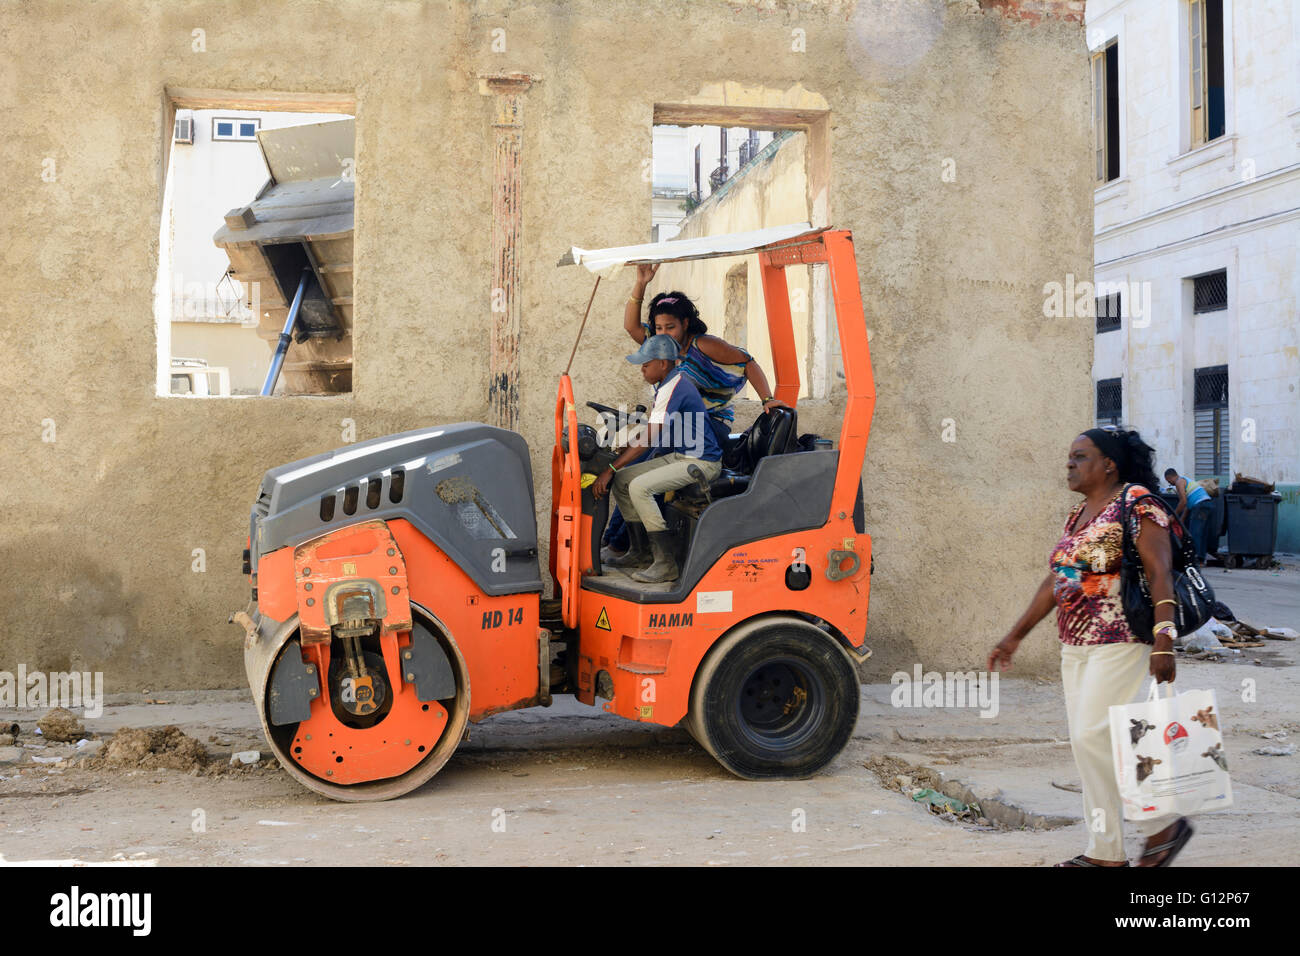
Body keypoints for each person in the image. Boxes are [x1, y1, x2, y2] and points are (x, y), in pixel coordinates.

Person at [987, 427, 1195, 867]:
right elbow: (1055, 582)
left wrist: (1165, 636)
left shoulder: (1135, 503)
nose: (1070, 464)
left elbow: (1160, 571)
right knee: (1089, 746)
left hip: (1119, 637)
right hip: (1075, 645)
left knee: (1093, 734)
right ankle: (1106, 853)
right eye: (1069, 457)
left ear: (1109, 465)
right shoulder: (1078, 515)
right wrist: (1015, 635)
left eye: (1080, 456)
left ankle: (1161, 826)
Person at [591, 335, 722, 583]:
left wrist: (609, 468)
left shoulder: (675, 385)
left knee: (639, 487)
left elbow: (650, 437)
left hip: (702, 462)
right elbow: (652, 428)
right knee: (623, 481)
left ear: (663, 363)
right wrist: (625, 453)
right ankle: (640, 553)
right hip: (683, 456)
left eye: (645, 363)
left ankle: (665, 564)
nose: (642, 368)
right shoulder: (667, 384)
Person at [624, 263, 789, 449]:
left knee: (654, 450)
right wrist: (641, 283)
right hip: (676, 425)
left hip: (712, 423)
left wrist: (767, 399)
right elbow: (631, 327)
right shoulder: (659, 346)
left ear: (685, 324)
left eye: (670, 327)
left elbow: (747, 362)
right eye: (659, 328)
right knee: (631, 451)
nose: (663, 334)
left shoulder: (703, 345)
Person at [1166, 468, 1213, 563]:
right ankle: (1200, 559)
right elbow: (1187, 505)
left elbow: (1183, 501)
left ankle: (1194, 559)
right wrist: (1181, 520)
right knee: (1202, 533)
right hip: (1207, 504)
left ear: (1170, 477)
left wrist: (1173, 516)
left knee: (1194, 532)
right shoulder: (1185, 480)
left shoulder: (1179, 482)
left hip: (1199, 505)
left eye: (1168, 481)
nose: (1170, 484)